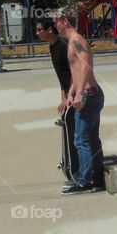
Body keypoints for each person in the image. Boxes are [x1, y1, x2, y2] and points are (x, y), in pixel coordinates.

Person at [55, 7, 105, 194]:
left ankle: (85, 180)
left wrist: (80, 93)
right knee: (91, 138)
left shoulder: (77, 40)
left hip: (89, 95)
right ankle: (97, 178)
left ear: (65, 21)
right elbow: (75, 72)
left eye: (57, 21)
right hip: (88, 94)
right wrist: (70, 94)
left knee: (81, 140)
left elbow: (86, 65)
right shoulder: (71, 42)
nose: (55, 25)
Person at [35, 17, 78, 182]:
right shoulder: (52, 47)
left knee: (78, 136)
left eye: (40, 30)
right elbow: (62, 77)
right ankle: (71, 171)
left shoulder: (63, 46)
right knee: (68, 132)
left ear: (49, 30)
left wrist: (70, 97)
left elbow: (75, 72)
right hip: (68, 95)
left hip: (77, 95)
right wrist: (63, 99)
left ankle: (78, 173)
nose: (37, 33)